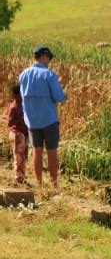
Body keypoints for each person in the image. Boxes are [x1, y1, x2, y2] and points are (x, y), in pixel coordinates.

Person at [19, 45, 67, 188]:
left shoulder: (23, 75)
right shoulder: (48, 75)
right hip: (49, 120)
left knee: (36, 151)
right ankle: (54, 184)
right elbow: (59, 96)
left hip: (32, 122)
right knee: (52, 152)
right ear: (43, 56)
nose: (49, 61)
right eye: (49, 57)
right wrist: (65, 96)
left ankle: (39, 184)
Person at [7, 84, 29, 184]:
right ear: (16, 95)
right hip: (17, 134)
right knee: (18, 156)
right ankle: (18, 176)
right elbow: (10, 123)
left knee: (23, 156)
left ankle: (22, 175)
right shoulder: (14, 107)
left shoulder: (23, 106)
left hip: (24, 133)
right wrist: (19, 120)